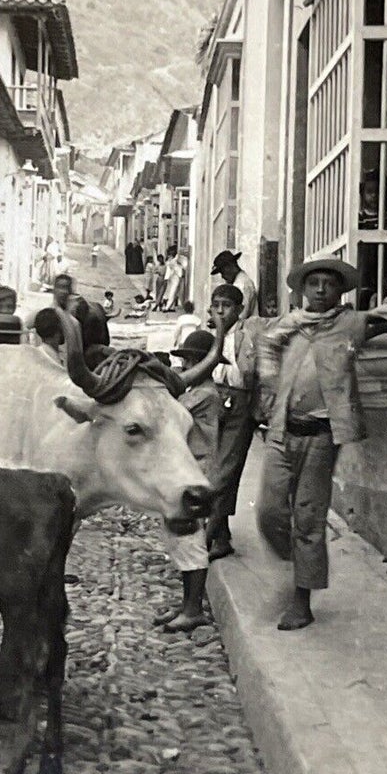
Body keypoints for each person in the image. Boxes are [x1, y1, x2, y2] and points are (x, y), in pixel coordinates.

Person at [255, 256, 387, 630]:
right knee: (269, 511)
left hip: (321, 438)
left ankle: (301, 600)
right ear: (302, 290)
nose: (321, 290)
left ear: (340, 290)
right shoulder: (286, 327)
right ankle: (300, 561)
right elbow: (264, 350)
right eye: (313, 283)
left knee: (308, 518)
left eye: (329, 284)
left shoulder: (351, 324)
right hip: (281, 432)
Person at [153, 326, 228, 633]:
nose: (185, 367)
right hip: (188, 470)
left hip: (197, 472)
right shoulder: (198, 393)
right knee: (179, 540)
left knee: (190, 540)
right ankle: (187, 604)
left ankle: (193, 608)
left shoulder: (204, 395)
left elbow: (168, 412)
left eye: (190, 362)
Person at [206, 283, 261, 561]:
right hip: (215, 402)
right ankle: (222, 536)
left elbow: (247, 373)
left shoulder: (246, 334)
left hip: (239, 404)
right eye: (216, 305)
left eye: (226, 306)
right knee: (215, 467)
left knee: (224, 472)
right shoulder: (208, 335)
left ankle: (205, 541)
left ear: (239, 310)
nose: (219, 311)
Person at [211, 250, 258, 319]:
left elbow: (240, 316)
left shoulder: (242, 284)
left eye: (223, 271)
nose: (223, 276)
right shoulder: (240, 282)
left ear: (230, 266)